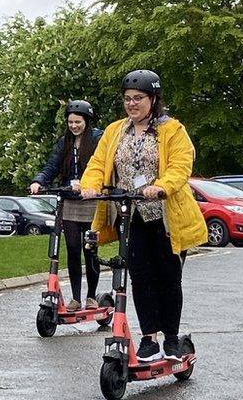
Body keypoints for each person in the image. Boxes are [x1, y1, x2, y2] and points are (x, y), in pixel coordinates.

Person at [80, 70, 206, 362]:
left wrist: (160, 187)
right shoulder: (115, 131)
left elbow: (180, 165)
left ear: (153, 99)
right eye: (127, 99)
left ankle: (171, 338)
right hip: (131, 214)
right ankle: (149, 337)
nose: (132, 104)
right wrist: (89, 186)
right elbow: (99, 163)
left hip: (165, 215)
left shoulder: (172, 130)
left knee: (169, 278)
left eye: (138, 98)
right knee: (140, 277)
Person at [30, 100, 103, 312]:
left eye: (78, 122)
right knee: (72, 249)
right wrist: (38, 180)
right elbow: (52, 166)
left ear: (87, 121)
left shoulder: (97, 139)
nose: (74, 126)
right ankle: (76, 298)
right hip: (70, 201)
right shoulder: (64, 142)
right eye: (70, 122)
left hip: (91, 201)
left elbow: (103, 166)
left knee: (90, 250)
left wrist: (90, 185)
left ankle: (91, 296)